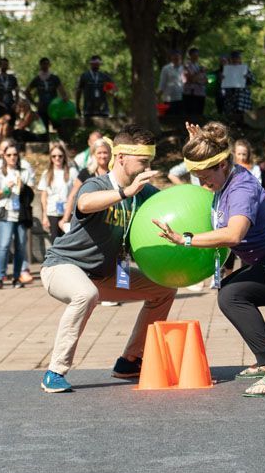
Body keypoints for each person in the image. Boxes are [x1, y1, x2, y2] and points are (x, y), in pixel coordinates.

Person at [156, 122, 265, 396]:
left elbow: (233, 234)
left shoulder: (240, 188)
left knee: (231, 296)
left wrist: (186, 239)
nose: (201, 183)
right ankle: (264, 360)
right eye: (196, 176)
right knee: (230, 290)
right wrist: (199, 143)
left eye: (204, 175)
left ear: (221, 165)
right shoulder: (225, 174)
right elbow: (214, 158)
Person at [38, 124, 174, 392]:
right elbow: (84, 204)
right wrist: (124, 193)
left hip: (106, 275)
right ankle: (54, 371)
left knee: (164, 289)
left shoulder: (144, 192)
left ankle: (129, 360)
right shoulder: (97, 183)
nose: (147, 167)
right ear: (121, 157)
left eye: (150, 161)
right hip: (62, 267)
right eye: (142, 161)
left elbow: (175, 203)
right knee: (85, 294)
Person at [0, 143, 34, 289]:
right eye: (9, 155)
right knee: (4, 245)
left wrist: (23, 188)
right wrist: (6, 189)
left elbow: (31, 193)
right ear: (4, 156)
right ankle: (0, 277)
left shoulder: (24, 171)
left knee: (21, 246)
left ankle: (17, 277)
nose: (12, 157)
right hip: (5, 212)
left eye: (15, 154)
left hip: (21, 214)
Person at [62, 137, 112, 229]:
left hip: (108, 219)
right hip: (88, 219)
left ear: (110, 154)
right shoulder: (86, 172)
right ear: (93, 154)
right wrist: (65, 219)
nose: (103, 156)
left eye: (105, 152)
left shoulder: (113, 174)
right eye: (99, 153)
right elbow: (73, 195)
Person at [39, 142, 77, 246]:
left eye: (60, 156)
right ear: (50, 158)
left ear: (64, 156)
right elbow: (44, 196)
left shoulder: (72, 171)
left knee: (68, 243)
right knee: (55, 244)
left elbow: (76, 192)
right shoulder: (46, 173)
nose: (57, 158)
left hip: (68, 212)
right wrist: (44, 216)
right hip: (52, 212)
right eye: (54, 156)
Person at [26, 57, 68, 131]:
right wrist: (34, 103)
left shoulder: (54, 78)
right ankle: (45, 142)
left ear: (49, 65)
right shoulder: (37, 79)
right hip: (42, 107)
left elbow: (62, 90)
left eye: (47, 64)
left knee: (59, 127)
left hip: (54, 107)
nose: (45, 65)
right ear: (40, 65)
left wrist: (64, 98)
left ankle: (62, 141)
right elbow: (27, 91)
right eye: (43, 64)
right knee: (44, 129)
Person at [222, 51, 256, 120]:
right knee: (230, 114)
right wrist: (222, 78)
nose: (235, 60)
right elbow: (223, 83)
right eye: (233, 58)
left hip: (242, 96)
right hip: (230, 96)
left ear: (240, 59)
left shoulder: (245, 69)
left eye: (237, 58)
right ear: (231, 59)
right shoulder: (227, 69)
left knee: (242, 115)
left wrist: (247, 76)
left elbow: (253, 80)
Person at [157, 50, 185, 116]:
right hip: (169, 98)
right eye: (175, 57)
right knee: (169, 117)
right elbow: (162, 83)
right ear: (171, 58)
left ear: (180, 58)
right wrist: (158, 95)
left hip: (180, 97)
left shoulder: (182, 68)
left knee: (178, 117)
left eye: (178, 57)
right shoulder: (166, 68)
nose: (176, 59)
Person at [182, 48, 207, 117]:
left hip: (201, 93)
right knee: (190, 115)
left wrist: (198, 79)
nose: (196, 56)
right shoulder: (186, 66)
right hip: (190, 94)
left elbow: (205, 81)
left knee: (199, 114)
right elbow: (191, 79)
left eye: (197, 55)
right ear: (190, 56)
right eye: (194, 55)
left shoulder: (199, 66)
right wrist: (200, 73)